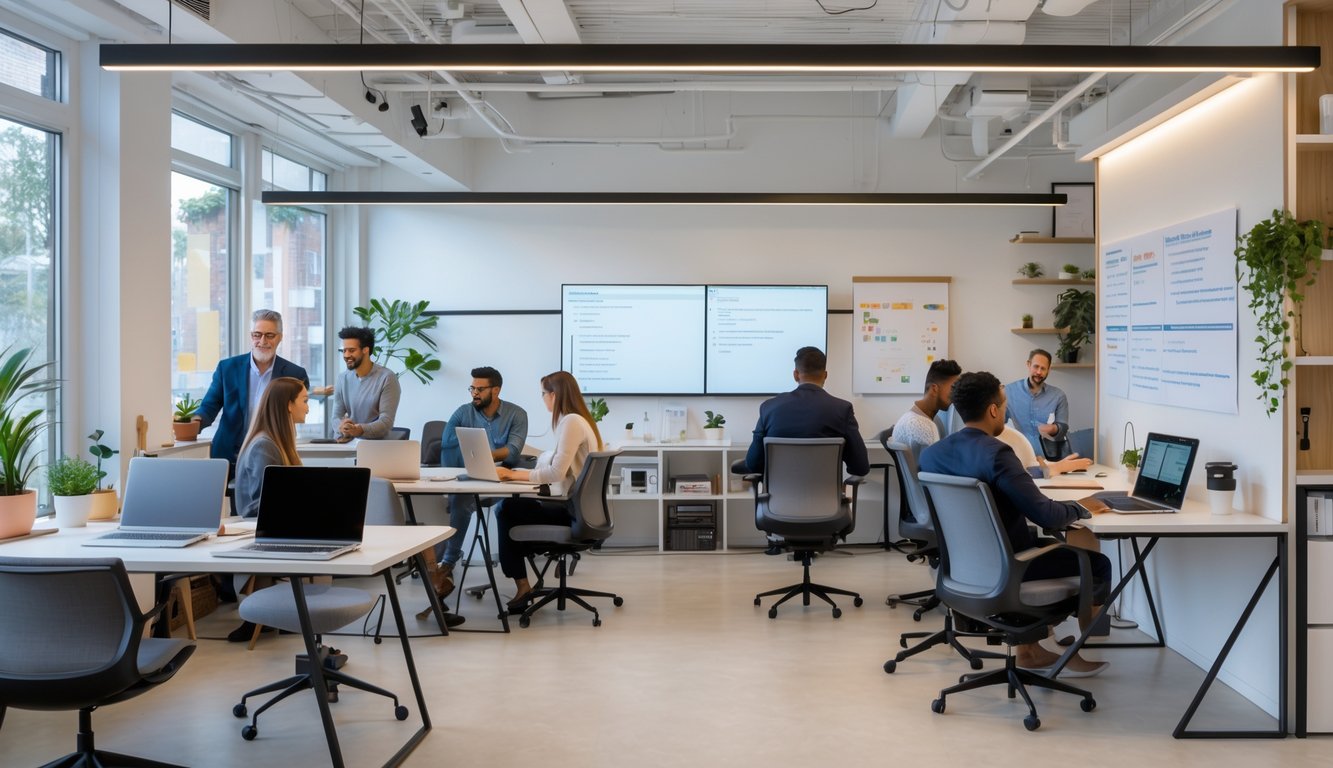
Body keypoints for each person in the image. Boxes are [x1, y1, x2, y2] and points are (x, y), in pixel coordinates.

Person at [919, 371, 1111, 677]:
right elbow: (1045, 514)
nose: (1006, 411)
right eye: (1004, 404)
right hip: (1009, 568)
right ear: (993, 410)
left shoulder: (932, 456)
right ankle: (1077, 651)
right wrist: (1081, 508)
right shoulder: (998, 454)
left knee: (1047, 547)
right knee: (1097, 565)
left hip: (960, 568)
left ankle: (1031, 650)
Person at [739, 346, 869, 554]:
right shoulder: (842, 409)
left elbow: (753, 464)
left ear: (795, 374)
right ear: (825, 375)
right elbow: (860, 467)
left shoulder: (769, 408)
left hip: (777, 511)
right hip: (829, 511)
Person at [492, 371, 601, 613]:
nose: (542, 398)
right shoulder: (579, 419)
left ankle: (522, 585)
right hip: (581, 509)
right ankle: (522, 580)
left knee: (507, 508)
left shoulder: (571, 422)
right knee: (515, 507)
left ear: (554, 394)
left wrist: (512, 474)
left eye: (543, 393)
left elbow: (556, 473)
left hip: (574, 513)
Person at [434, 366, 528, 596]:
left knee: (482, 504)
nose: (474, 393)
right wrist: (476, 456)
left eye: (480, 389)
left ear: (495, 390)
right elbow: (446, 444)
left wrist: (482, 453)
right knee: (460, 499)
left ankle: (446, 564)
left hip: (502, 478)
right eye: (472, 388)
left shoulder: (517, 414)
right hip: (469, 474)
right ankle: (445, 565)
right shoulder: (462, 412)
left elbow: (514, 452)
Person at [196, 309, 310, 468]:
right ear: (251, 336)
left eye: (269, 335)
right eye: (257, 335)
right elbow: (209, 407)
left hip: (272, 456)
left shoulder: (295, 374)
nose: (262, 341)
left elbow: (296, 413)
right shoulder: (227, 368)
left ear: (280, 337)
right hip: (229, 456)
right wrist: (193, 423)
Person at [331, 326, 401, 440]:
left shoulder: (387, 378)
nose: (346, 355)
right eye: (344, 350)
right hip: (347, 445)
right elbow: (336, 417)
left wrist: (360, 429)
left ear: (366, 350)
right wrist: (341, 426)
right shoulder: (342, 378)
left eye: (352, 350)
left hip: (376, 447)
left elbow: (386, 421)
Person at [1004, 349, 1070, 460]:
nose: (1039, 372)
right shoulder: (1008, 392)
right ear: (1028, 364)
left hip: (1049, 458)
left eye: (1043, 368)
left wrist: (1053, 429)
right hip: (1018, 457)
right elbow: (996, 425)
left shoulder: (1058, 395)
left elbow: (1063, 427)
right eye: (1036, 366)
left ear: (1049, 370)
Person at [891, 359, 961, 459]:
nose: (955, 394)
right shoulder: (924, 426)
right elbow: (937, 470)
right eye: (953, 388)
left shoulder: (911, 416)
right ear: (934, 389)